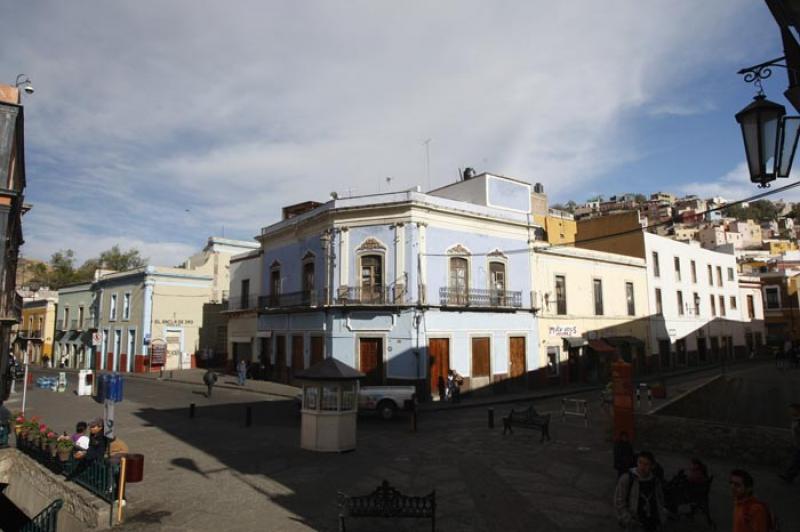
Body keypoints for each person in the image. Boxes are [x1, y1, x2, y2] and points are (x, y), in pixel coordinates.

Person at [614, 450, 666, 531]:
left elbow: (660, 499)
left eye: (646, 464)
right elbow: (619, 501)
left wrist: (661, 518)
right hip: (634, 523)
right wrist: (627, 519)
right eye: (640, 462)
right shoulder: (627, 479)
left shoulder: (655, 481)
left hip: (652, 523)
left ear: (651, 466)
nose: (642, 467)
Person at [779, 403, 800, 484]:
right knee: (795, 461)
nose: (790, 411)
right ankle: (788, 476)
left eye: (792, 409)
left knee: (795, 461)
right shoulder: (795, 420)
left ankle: (788, 476)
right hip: (797, 445)